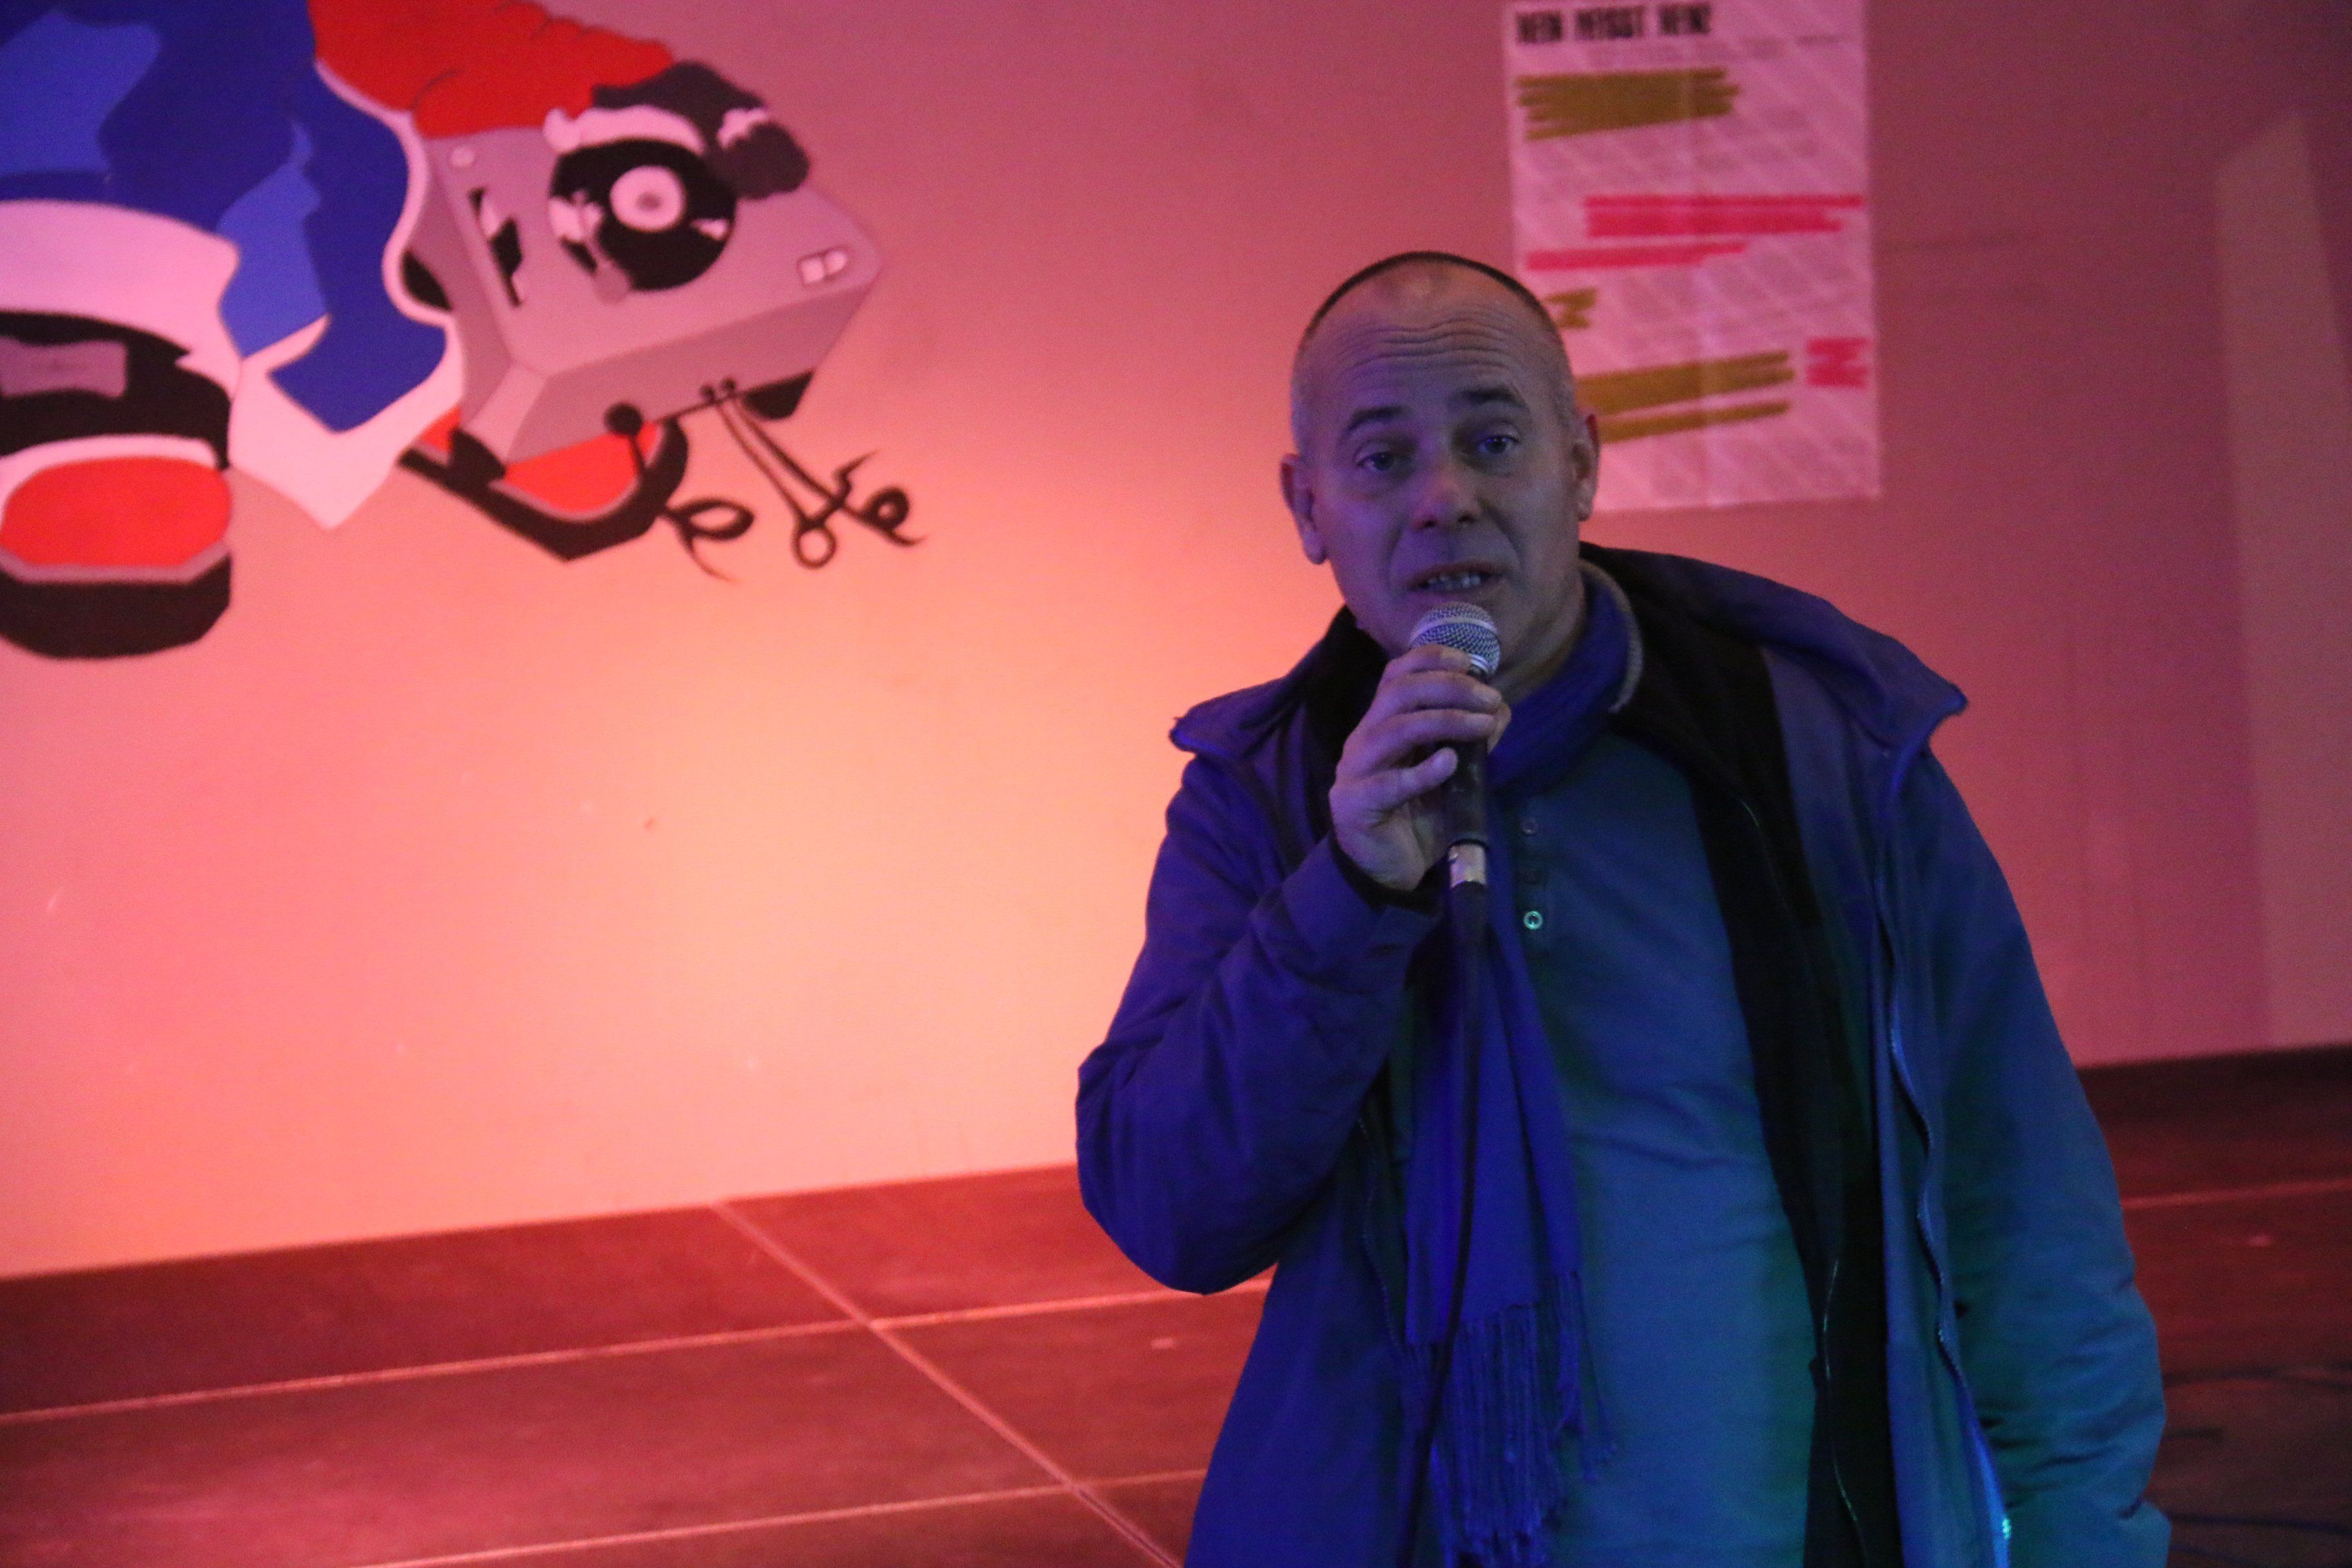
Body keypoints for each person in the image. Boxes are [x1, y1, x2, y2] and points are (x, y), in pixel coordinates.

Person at [1075, 252, 2166, 1567]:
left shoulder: (1814, 749)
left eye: (1494, 442)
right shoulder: (1269, 791)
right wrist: (1349, 893)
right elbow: (1173, 1209)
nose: (1443, 498)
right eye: (1381, 460)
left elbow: (2024, 1194)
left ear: (1582, 465)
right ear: (1308, 506)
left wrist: (2083, 1540)